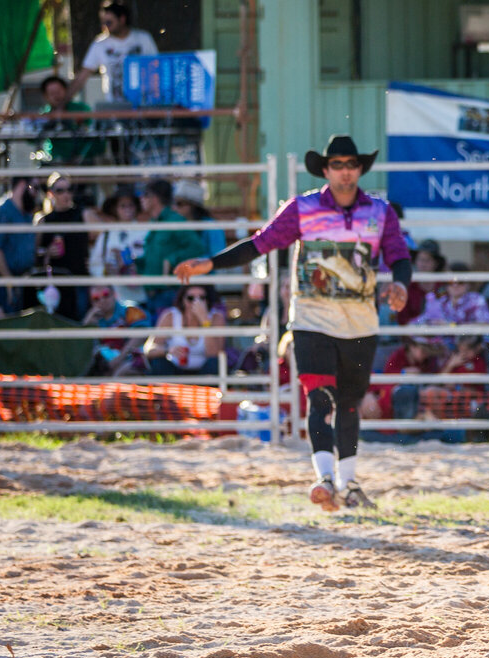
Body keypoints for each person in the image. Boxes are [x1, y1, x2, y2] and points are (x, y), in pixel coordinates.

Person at [174, 134, 413, 511]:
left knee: (350, 403)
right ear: (326, 169)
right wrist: (211, 264)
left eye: (351, 164)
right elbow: (262, 243)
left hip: (360, 323)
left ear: (359, 169)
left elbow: (399, 254)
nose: (345, 172)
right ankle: (324, 477)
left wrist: (400, 283)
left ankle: (349, 483)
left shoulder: (380, 212)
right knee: (319, 397)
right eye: (338, 164)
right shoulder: (302, 209)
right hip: (311, 319)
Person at [67, 0, 158, 105]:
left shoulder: (143, 39)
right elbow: (82, 76)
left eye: (109, 22)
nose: (105, 27)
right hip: (116, 107)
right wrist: (62, 103)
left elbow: (157, 68)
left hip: (145, 104)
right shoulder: (100, 44)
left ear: (122, 19)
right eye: (103, 23)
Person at [138, 179, 206, 319]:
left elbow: (197, 248)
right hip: (150, 294)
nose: (141, 198)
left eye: (145, 194)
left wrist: (172, 259)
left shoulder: (175, 220)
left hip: (168, 292)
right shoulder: (154, 222)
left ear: (155, 198)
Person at [35, 172, 92, 321]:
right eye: (60, 190)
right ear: (50, 193)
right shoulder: (44, 221)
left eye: (69, 189)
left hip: (79, 281)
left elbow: (103, 237)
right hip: (55, 286)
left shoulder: (83, 214)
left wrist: (93, 258)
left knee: (80, 322)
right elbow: (35, 253)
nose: (66, 194)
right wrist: (47, 252)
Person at [0, 176, 39, 318]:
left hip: (25, 283)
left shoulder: (27, 215)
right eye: (35, 187)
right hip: (4, 286)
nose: (37, 193)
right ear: (22, 185)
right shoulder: (0, 212)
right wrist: (9, 282)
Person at [142, 285, 227, 375]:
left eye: (202, 298)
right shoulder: (170, 316)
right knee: (159, 363)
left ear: (207, 301)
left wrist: (204, 321)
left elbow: (214, 354)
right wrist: (168, 350)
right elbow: (150, 349)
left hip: (204, 373)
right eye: (190, 298)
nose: (196, 303)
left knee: (214, 364)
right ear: (182, 300)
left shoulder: (216, 317)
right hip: (175, 371)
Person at [89, 189, 146, 305]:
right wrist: (106, 271)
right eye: (123, 206)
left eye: (131, 206)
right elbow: (94, 264)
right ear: (115, 209)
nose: (127, 210)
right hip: (114, 298)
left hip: (140, 296)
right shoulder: (107, 235)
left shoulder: (145, 232)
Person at [83, 284, 149, 376]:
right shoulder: (93, 320)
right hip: (102, 366)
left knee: (121, 373)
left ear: (114, 294)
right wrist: (87, 324)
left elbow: (140, 336)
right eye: (96, 298)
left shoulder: (131, 310)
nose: (102, 300)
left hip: (131, 361)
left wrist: (118, 359)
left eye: (106, 295)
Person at [34, 74, 101, 165]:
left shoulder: (81, 108)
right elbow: (33, 137)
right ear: (45, 96)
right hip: (53, 160)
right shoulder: (44, 113)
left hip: (82, 159)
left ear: (66, 91)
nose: (56, 96)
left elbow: (91, 128)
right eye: (52, 93)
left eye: (58, 92)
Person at [417, 261, 489, 327]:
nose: (455, 285)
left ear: (468, 283)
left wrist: (452, 326)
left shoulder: (476, 300)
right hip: (441, 343)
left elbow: (486, 325)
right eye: (451, 281)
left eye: (460, 281)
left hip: (468, 343)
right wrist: (431, 323)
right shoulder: (441, 300)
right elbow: (421, 322)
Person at [397, 239, 445, 325]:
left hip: (441, 335)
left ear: (436, 263)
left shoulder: (443, 286)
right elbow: (402, 321)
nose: (423, 264)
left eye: (428, 260)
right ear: (415, 262)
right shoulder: (408, 287)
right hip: (413, 334)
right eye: (420, 259)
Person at [174, 182, 226, 257]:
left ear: (192, 205)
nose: (175, 208)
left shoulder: (212, 227)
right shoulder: (179, 225)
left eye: (179, 203)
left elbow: (218, 256)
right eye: (174, 203)